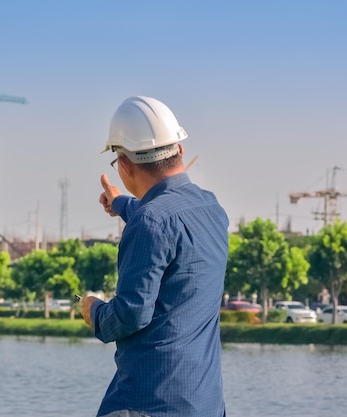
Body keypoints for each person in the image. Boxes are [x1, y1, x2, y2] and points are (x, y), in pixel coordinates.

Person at [80, 96, 229, 417]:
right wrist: (119, 204)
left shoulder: (150, 221)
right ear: (180, 150)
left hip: (148, 403)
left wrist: (93, 309)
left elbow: (130, 315)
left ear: (123, 164)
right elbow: (166, 214)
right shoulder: (211, 208)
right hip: (203, 402)